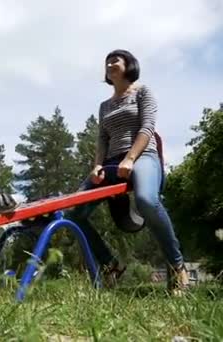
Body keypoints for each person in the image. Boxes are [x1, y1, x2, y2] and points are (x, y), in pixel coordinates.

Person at [71, 49, 189, 295]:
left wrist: (131, 158)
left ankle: (177, 266)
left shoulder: (143, 93)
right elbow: (102, 139)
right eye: (107, 61)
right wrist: (97, 165)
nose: (110, 63)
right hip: (111, 162)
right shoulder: (104, 106)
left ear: (129, 65)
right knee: (75, 213)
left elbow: (147, 127)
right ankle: (110, 265)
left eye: (116, 59)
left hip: (143, 156)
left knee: (146, 200)